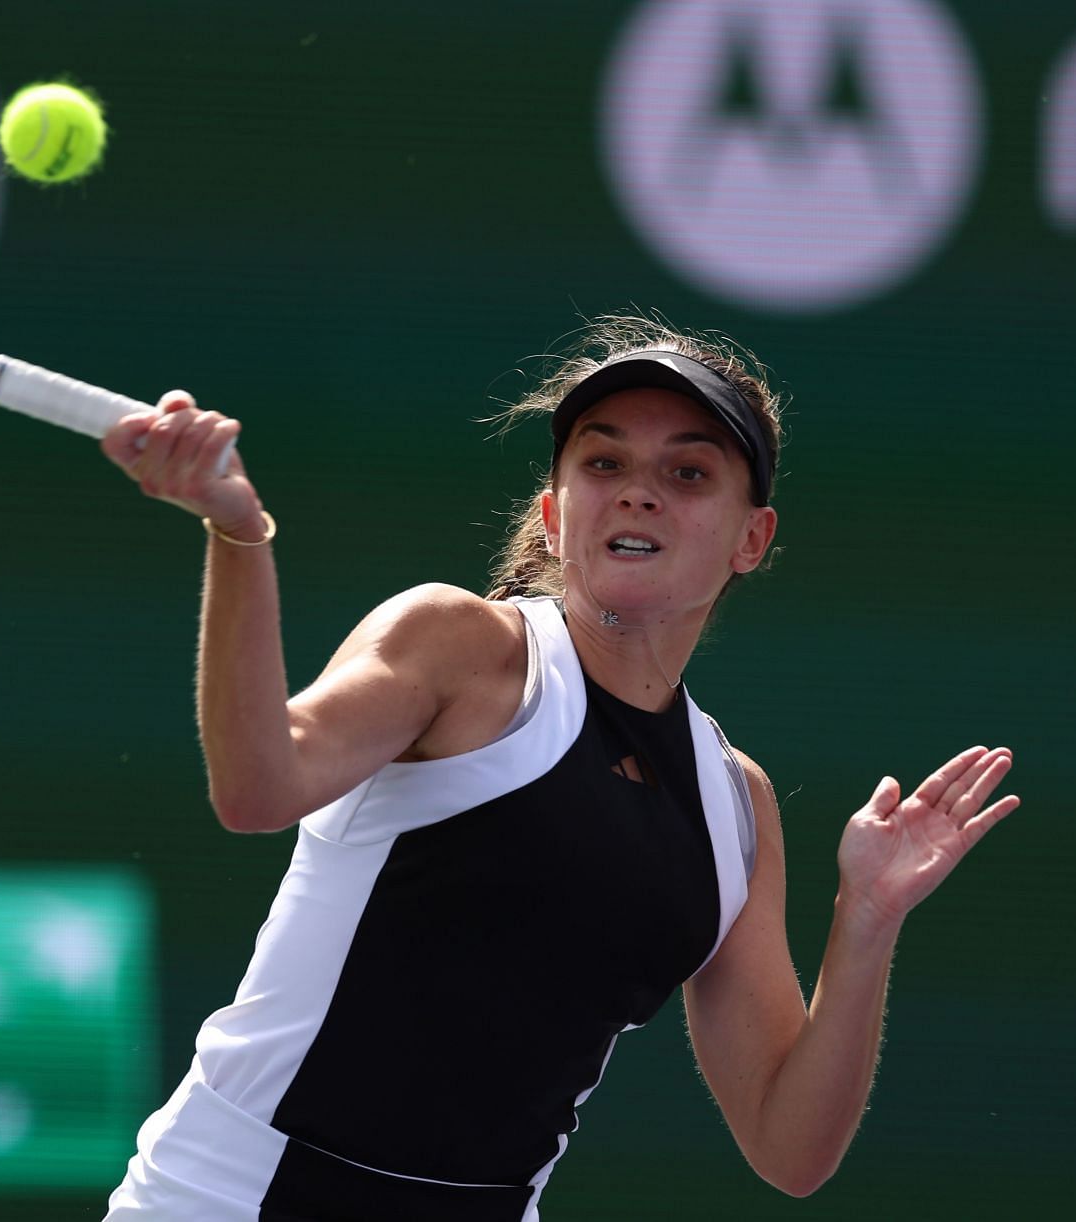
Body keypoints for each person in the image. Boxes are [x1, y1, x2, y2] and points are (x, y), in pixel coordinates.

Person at [95, 317, 1019, 1221]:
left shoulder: (735, 803)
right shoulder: (459, 646)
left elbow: (791, 1150)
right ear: (554, 509)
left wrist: (866, 920)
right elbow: (257, 788)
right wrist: (239, 533)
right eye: (602, 462)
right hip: (229, 1200)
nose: (636, 493)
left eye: (688, 473)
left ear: (752, 539)